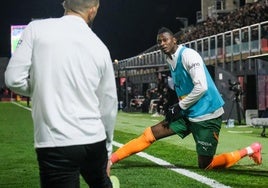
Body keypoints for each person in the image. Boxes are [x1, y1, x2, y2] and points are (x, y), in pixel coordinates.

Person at [110, 27, 262, 169]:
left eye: (165, 40)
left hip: (207, 115)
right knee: (149, 134)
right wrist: (179, 106)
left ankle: (251, 149)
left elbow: (201, 87)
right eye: (159, 42)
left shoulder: (189, 55)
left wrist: (179, 106)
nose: (162, 44)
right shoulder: (170, 59)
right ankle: (110, 161)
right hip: (188, 112)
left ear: (174, 40)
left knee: (206, 165)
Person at [5, 0, 118, 187]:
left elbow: (13, 79)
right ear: (93, 10)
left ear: (64, 4)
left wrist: (45, 86)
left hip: (56, 141)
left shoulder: (36, 29)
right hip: (94, 140)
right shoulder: (100, 47)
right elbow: (108, 103)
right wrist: (107, 152)